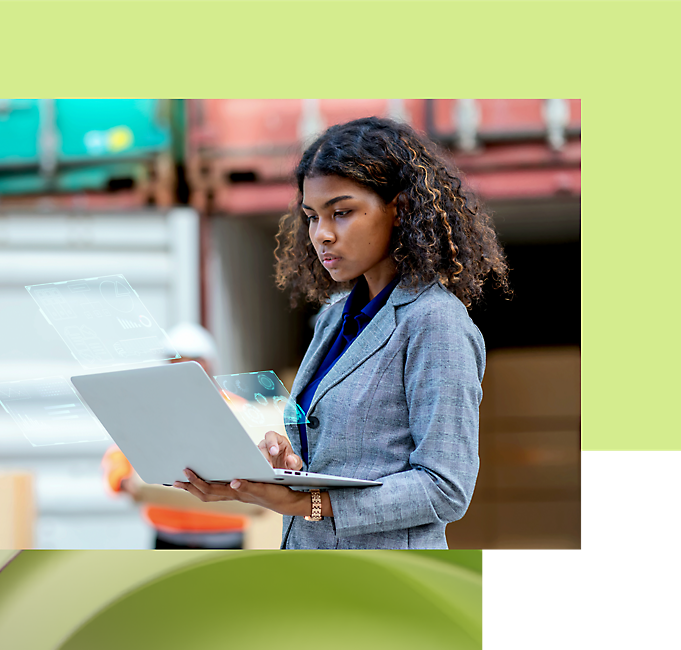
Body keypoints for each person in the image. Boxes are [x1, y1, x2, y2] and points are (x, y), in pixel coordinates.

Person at [175, 116, 510, 549]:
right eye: (312, 217)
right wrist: (281, 465)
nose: (322, 235)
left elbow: (445, 488)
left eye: (342, 212)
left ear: (401, 208)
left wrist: (307, 503)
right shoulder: (334, 319)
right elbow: (343, 455)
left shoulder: (435, 322)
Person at [102, 322, 253, 549]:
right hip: (168, 535)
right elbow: (119, 454)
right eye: (172, 363)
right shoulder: (152, 411)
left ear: (206, 364)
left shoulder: (237, 409)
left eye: (184, 363)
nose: (176, 370)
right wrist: (122, 480)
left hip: (226, 536)